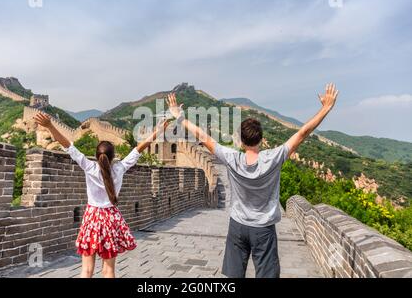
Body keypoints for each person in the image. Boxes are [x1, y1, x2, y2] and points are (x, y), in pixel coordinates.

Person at [166, 83, 339, 278]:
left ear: (240, 139)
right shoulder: (273, 159)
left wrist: (178, 116)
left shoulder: (232, 158)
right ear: (261, 140)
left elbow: (202, 136)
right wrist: (325, 108)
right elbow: (302, 133)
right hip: (263, 229)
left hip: (237, 225)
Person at [33, 112, 168, 278]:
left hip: (92, 218)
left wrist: (49, 126)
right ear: (112, 157)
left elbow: (68, 146)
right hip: (111, 219)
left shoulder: (89, 167)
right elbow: (139, 148)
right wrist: (158, 131)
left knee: (86, 270)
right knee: (109, 271)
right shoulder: (120, 168)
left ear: (97, 156)